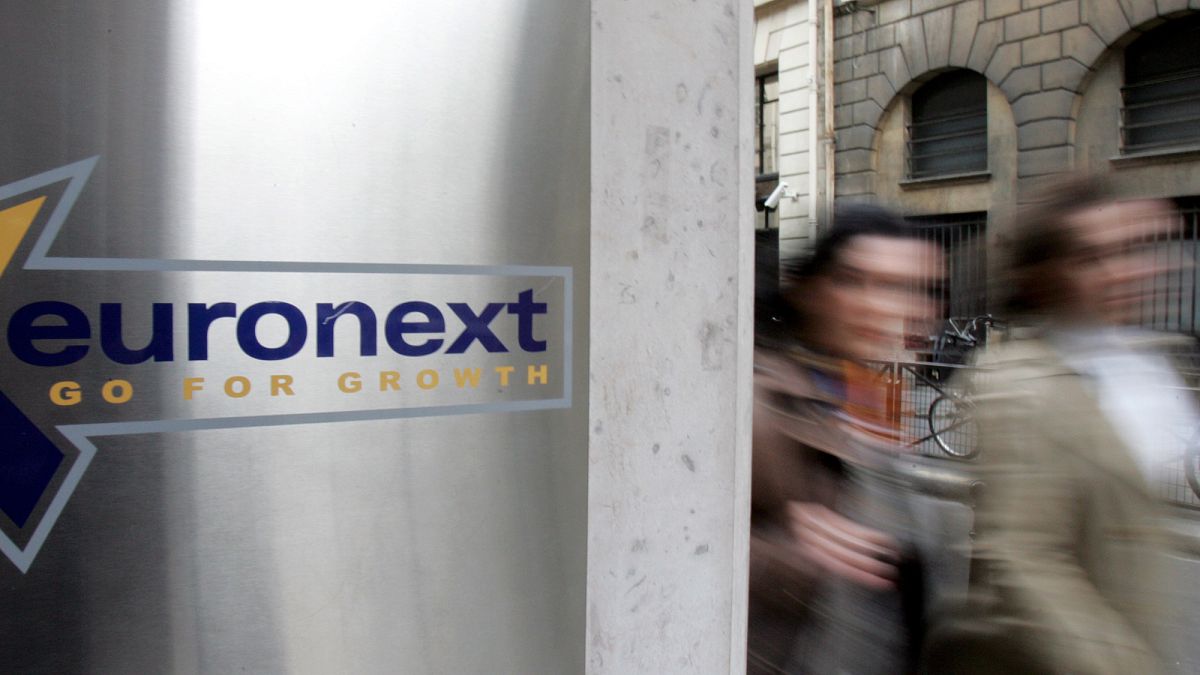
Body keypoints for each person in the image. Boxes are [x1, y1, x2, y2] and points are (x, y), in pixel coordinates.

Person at [924, 176, 1197, 674]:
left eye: (1134, 250)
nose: (1120, 272)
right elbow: (1025, 557)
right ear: (1047, 275)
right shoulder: (1021, 384)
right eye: (1091, 258)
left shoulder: (1147, 363)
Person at [749, 205, 942, 674]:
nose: (881, 306)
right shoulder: (756, 399)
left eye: (908, 289)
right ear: (809, 291)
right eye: (854, 281)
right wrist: (783, 554)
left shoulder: (872, 391)